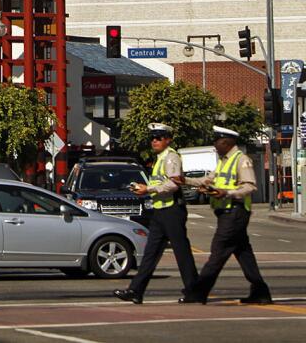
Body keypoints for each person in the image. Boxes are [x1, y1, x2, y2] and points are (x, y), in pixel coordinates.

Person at [180, 126, 272, 304]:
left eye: (217, 141)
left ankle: (198, 293)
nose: (215, 145)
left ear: (227, 142)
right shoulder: (223, 161)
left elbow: (250, 186)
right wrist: (185, 180)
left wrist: (227, 192)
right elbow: (209, 180)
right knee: (244, 254)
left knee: (218, 253)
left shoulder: (241, 160)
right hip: (226, 213)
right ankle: (261, 292)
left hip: (235, 212)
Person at [114, 123, 198, 304]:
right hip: (161, 210)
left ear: (168, 139)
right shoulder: (160, 158)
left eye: (159, 137)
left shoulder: (171, 157)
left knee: (181, 252)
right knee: (150, 253)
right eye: (152, 138)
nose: (154, 141)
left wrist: (148, 189)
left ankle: (194, 291)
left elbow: (174, 184)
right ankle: (136, 290)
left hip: (172, 210)